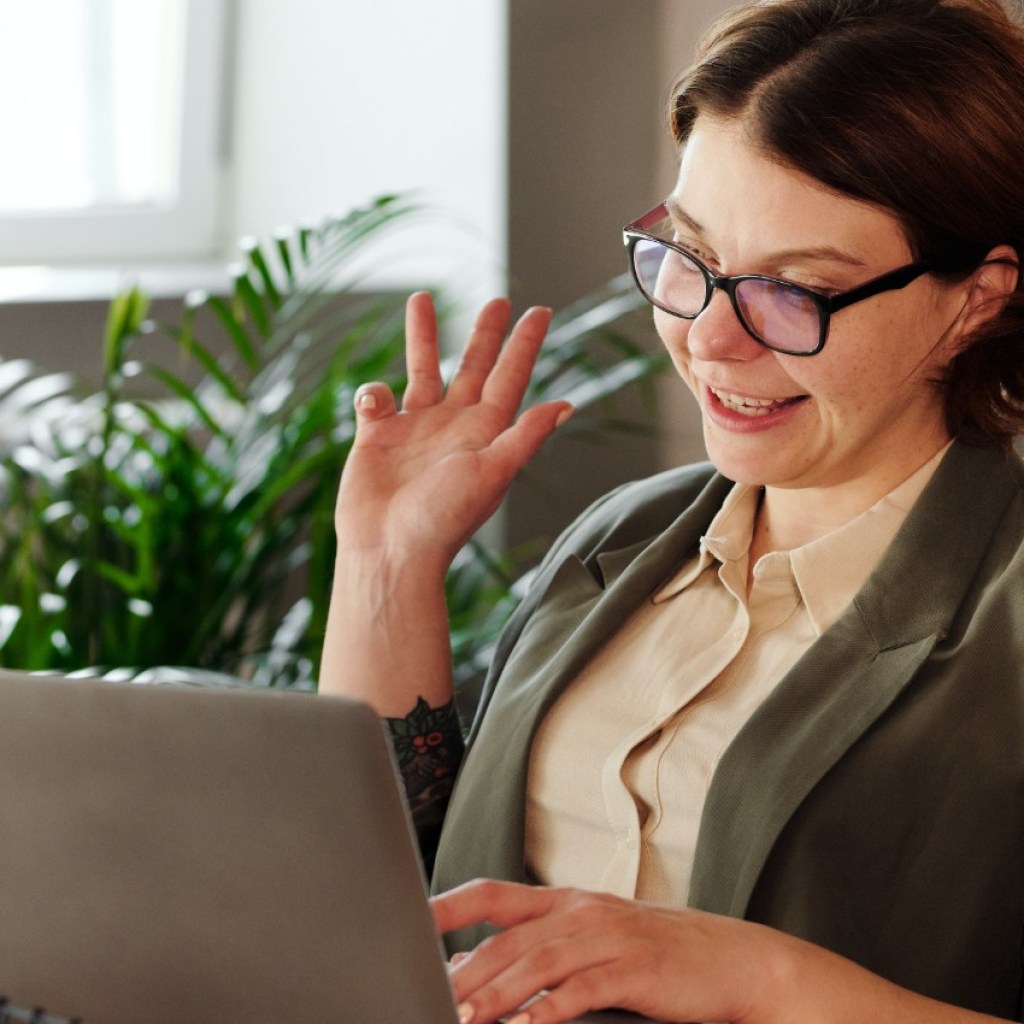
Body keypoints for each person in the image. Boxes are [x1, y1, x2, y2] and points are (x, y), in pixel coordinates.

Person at [319, 0, 1024, 1020]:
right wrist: (387, 566)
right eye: (688, 258)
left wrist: (763, 978)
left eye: (793, 292)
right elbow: (400, 892)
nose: (710, 339)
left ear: (977, 299)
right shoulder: (621, 539)